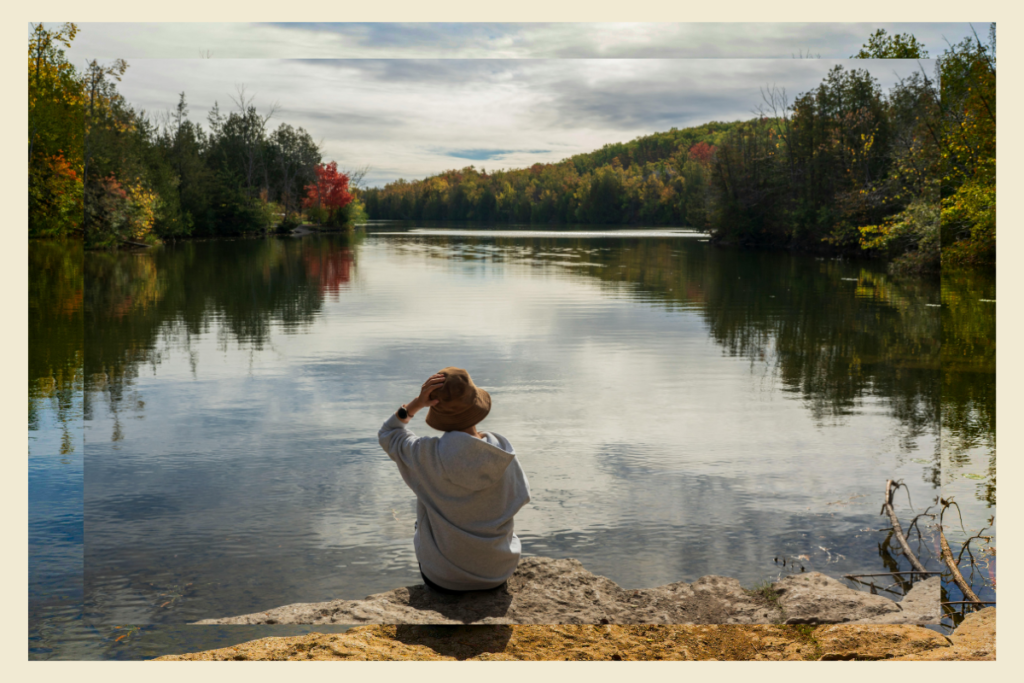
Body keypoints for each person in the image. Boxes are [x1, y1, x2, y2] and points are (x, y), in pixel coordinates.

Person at [378, 367, 530, 594]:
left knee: (422, 521)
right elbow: (521, 497)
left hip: (443, 578)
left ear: (435, 408)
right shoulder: (502, 452)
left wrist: (416, 404)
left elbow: (388, 433)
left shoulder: (424, 454)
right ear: (476, 403)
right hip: (497, 573)